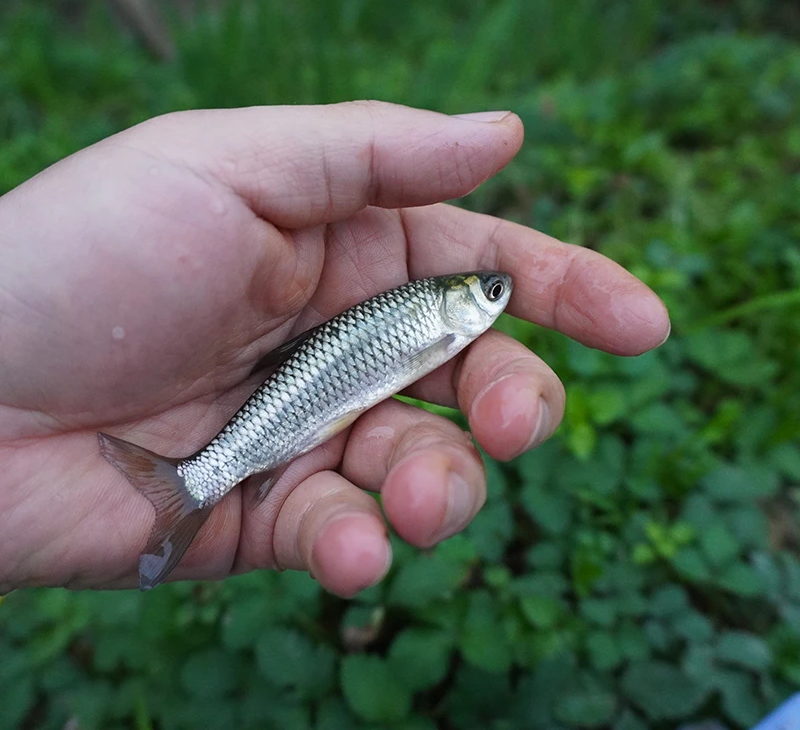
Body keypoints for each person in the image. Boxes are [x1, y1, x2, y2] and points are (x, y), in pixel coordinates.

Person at [0, 101, 669, 597]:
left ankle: (194, 485)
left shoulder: (436, 315)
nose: (498, 297)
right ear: (457, 304)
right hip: (271, 421)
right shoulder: (434, 317)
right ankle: (191, 484)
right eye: (489, 292)